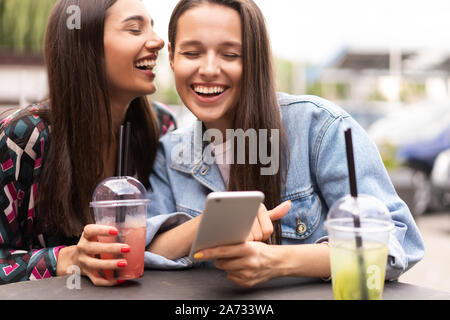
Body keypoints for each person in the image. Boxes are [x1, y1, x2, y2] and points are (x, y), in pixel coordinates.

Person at [144, 0, 425, 288]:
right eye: (192, 53)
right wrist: (212, 223)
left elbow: (396, 243)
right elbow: (144, 252)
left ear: (255, 59)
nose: (209, 69)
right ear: (172, 57)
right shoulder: (170, 153)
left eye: (230, 54)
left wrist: (277, 261)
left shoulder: (319, 127)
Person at [0, 0, 176, 286]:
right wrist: (64, 259)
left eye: (152, 28)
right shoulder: (25, 138)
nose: (157, 41)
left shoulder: (161, 127)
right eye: (134, 29)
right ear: (85, 46)